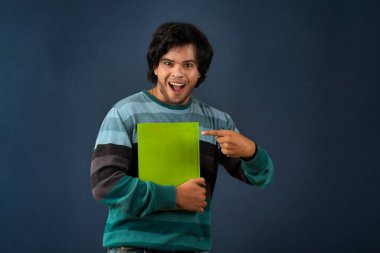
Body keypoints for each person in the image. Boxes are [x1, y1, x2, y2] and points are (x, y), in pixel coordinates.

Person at [91, 22, 274, 253]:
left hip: (192, 248)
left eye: (188, 65)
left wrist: (252, 152)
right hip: (134, 248)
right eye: (168, 63)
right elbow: (105, 183)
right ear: (155, 67)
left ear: (199, 73)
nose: (177, 73)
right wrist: (174, 197)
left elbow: (260, 178)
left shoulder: (217, 122)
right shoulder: (125, 113)